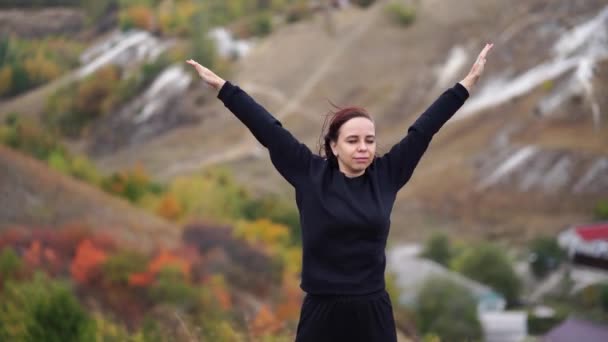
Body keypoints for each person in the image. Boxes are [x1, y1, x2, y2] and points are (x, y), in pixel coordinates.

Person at [186, 42, 494, 341]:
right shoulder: (309, 174)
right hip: (322, 313)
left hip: (372, 313)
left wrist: (466, 85)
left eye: (369, 140)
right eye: (353, 140)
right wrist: (226, 90)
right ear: (334, 145)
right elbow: (269, 130)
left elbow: (424, 128)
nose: (363, 148)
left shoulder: (387, 175)